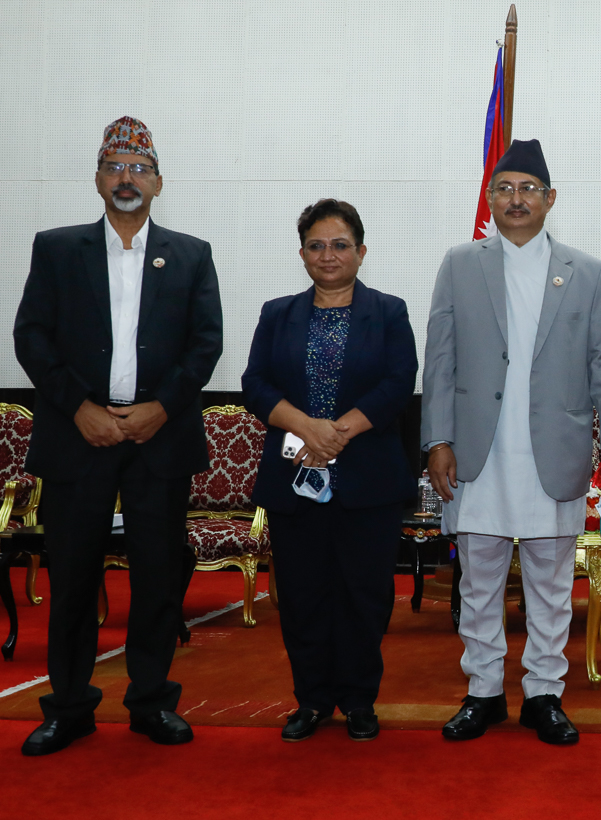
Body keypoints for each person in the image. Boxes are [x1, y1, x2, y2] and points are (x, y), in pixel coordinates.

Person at [13, 117, 223, 755]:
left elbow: (205, 343)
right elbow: (32, 337)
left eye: (139, 168)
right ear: (98, 180)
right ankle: (70, 707)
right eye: (115, 167)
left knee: (158, 578)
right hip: (80, 434)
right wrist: (79, 407)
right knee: (74, 577)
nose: (126, 178)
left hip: (159, 434)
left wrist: (161, 407)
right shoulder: (56, 248)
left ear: (158, 182)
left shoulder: (191, 253)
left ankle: (151, 702)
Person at [421, 139, 601, 745]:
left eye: (528, 189)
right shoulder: (460, 263)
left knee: (549, 584)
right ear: (490, 198)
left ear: (550, 199)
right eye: (505, 188)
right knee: (478, 582)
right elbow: (439, 362)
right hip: (476, 452)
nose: (517, 199)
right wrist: (436, 439)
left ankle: (544, 694)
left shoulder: (587, 272)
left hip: (554, 450)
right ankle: (483, 692)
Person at [242, 199, 417, 743]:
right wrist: (307, 427)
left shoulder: (388, 312)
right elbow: (256, 385)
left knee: (365, 596)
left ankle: (360, 701)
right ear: (302, 254)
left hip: (367, 480)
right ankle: (313, 700)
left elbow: (398, 381)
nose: (328, 255)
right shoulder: (278, 314)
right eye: (316, 245)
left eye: (340, 244)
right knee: (302, 596)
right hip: (295, 478)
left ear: (361, 252)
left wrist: (339, 430)